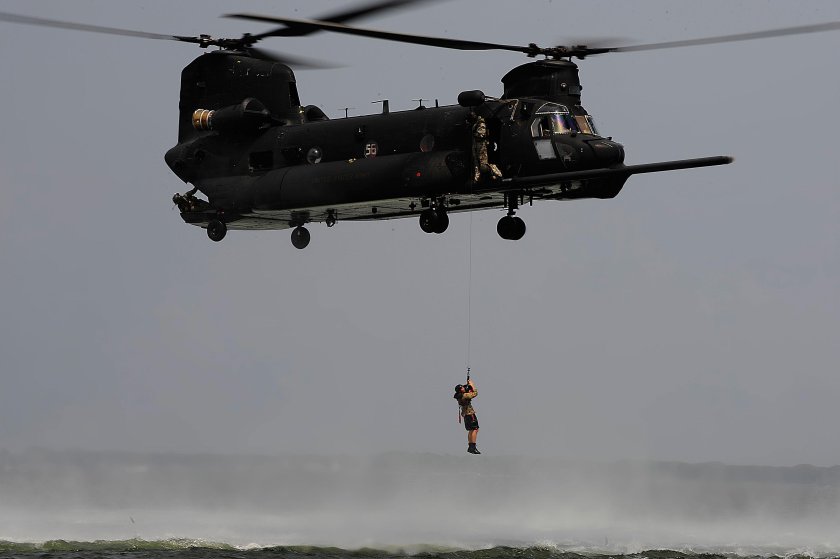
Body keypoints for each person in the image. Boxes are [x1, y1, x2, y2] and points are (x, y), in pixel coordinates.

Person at [454, 378, 480, 454]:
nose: (463, 388)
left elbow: (466, 389)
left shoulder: (460, 396)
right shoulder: (464, 395)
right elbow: (474, 394)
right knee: (475, 429)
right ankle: (473, 446)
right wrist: (473, 385)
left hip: (466, 415)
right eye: (462, 387)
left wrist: (468, 385)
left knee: (471, 430)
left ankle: (470, 446)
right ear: (460, 390)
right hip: (470, 414)